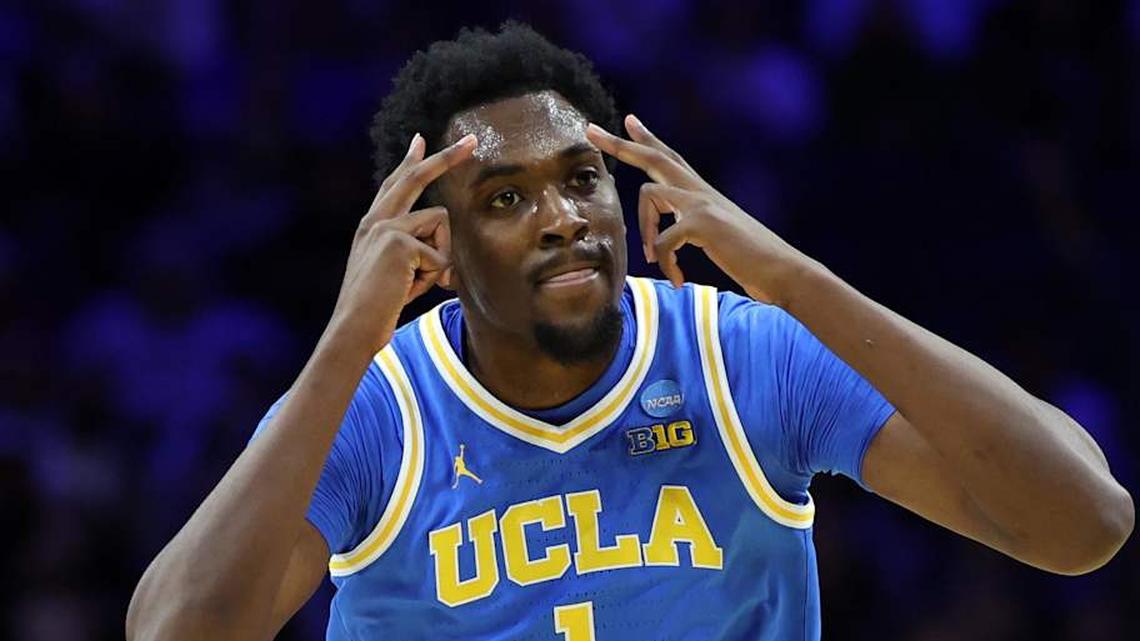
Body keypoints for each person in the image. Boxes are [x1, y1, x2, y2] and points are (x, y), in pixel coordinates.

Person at [125, 22, 1133, 641]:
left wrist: (795, 277)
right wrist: (349, 335)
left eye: (579, 177)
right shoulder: (372, 406)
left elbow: (1083, 522)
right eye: (507, 195)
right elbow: (178, 631)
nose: (564, 214)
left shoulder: (743, 353)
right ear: (435, 244)